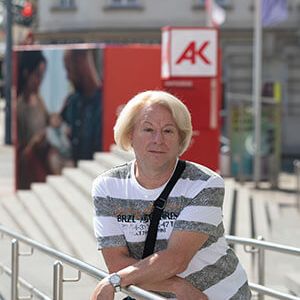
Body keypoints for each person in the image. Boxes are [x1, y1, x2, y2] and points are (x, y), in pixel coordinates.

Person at [91, 90, 251, 299]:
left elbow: (176, 260)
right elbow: (117, 263)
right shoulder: (107, 187)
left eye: (168, 131)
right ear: (130, 135)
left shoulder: (205, 184)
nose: (158, 140)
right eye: (148, 129)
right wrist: (177, 287)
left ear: (180, 139)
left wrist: (115, 281)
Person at [61, 49, 102, 165]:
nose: (68, 77)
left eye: (69, 69)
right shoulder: (72, 102)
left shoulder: (102, 104)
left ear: (81, 62)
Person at [16, 50, 50, 189]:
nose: (39, 82)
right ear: (26, 73)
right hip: (29, 175)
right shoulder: (19, 107)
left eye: (42, 76)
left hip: (42, 168)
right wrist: (34, 143)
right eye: (37, 76)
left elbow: (47, 121)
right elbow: (20, 156)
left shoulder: (39, 100)